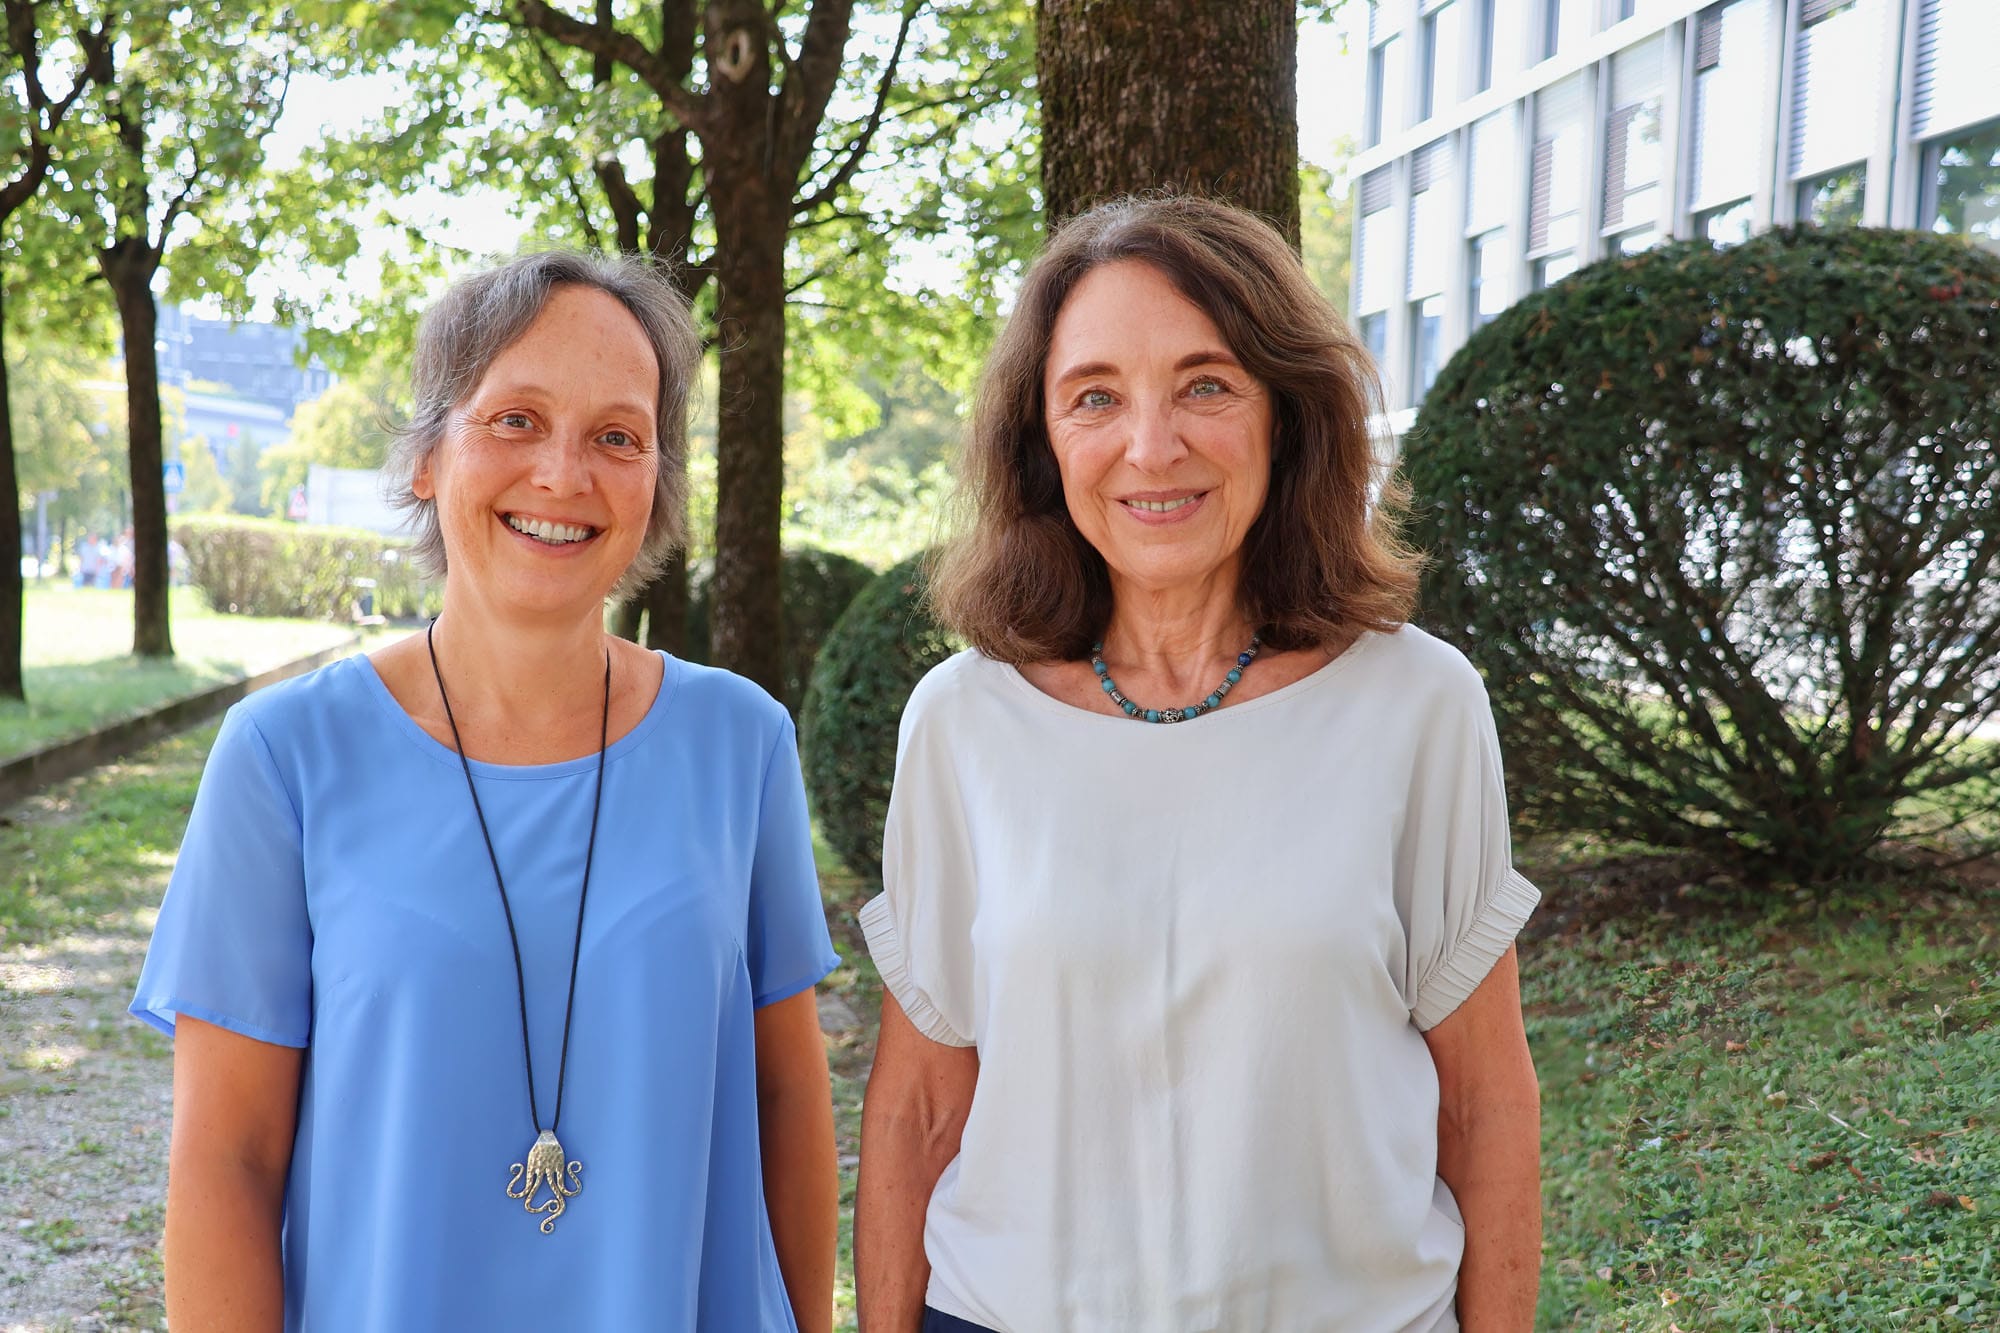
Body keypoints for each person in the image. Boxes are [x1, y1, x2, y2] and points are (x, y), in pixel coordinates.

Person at [854, 196, 1543, 1333]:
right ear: (1042, 441)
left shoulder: (1416, 703)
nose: (1150, 445)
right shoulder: (960, 721)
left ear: (1285, 413)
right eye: (1095, 398)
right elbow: (919, 1108)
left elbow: (1483, 1101)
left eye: (1204, 384)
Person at [131, 251, 840, 1331]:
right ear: (425, 457)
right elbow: (227, 1162)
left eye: (617, 435)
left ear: (655, 483)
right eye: (514, 419)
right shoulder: (285, 757)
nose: (563, 474)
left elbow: (787, 1106)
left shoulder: (740, 744)